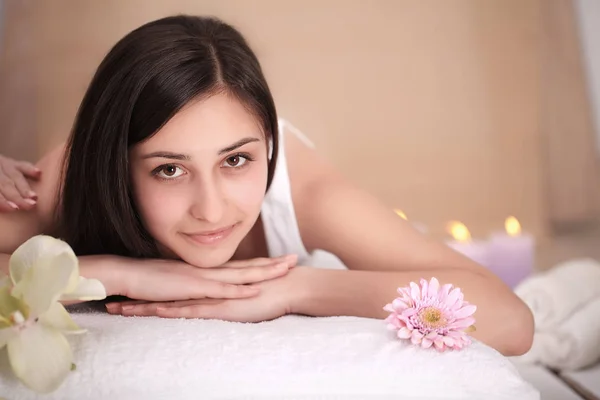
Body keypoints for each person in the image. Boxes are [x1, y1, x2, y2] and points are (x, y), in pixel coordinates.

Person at [0, 15, 533, 356]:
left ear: (267, 146)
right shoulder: (71, 180)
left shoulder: (305, 192)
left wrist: (286, 290)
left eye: (236, 159)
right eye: (169, 169)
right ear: (115, 166)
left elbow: (509, 320)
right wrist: (116, 272)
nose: (211, 209)